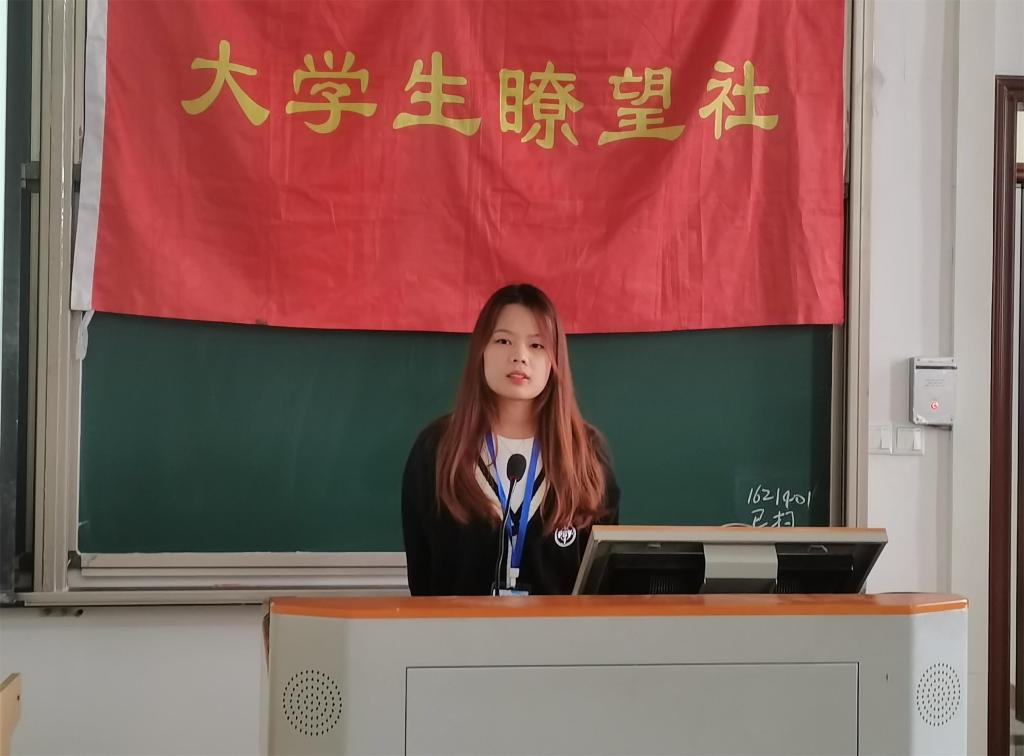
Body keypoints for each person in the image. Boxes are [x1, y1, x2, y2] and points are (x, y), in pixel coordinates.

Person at [401, 283, 620, 596]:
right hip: (457, 628)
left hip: (561, 629)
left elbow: (602, 582)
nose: (519, 357)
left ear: (555, 360)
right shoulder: (436, 449)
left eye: (537, 345)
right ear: (481, 351)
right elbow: (422, 577)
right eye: (503, 340)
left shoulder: (587, 452)